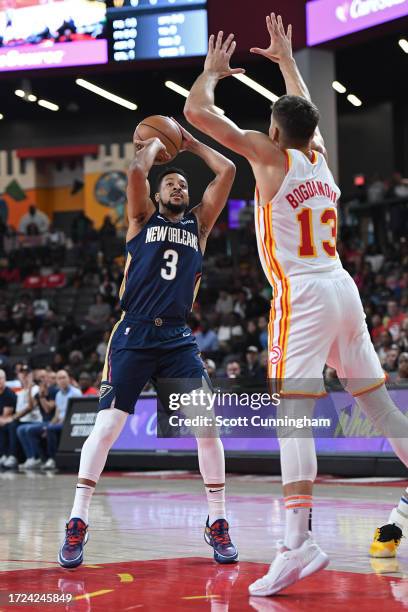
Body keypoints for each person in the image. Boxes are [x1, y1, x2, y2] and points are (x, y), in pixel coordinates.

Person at [184, 14, 408, 596]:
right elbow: (302, 108)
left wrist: (209, 74)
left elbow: (198, 115)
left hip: (303, 295)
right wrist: (287, 62)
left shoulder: (270, 155)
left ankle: (296, 543)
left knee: (292, 417)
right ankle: (297, 540)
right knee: (380, 408)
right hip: (342, 287)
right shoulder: (319, 154)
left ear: (273, 130)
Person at [58, 120, 238, 569]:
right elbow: (137, 173)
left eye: (182, 184)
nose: (178, 187)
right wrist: (155, 143)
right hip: (134, 334)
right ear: (158, 195)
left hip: (176, 336)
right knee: (106, 429)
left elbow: (228, 171)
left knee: (208, 429)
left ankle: (217, 522)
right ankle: (77, 520)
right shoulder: (140, 219)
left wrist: (191, 143)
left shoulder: (199, 224)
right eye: (170, 183)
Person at [0, 369, 17, 466]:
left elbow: (5, 415)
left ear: (5, 379)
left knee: (6, 427)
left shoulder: (9, 394)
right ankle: (2, 455)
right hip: (2, 420)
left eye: (0, 378)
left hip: (10, 419)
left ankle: (11, 455)